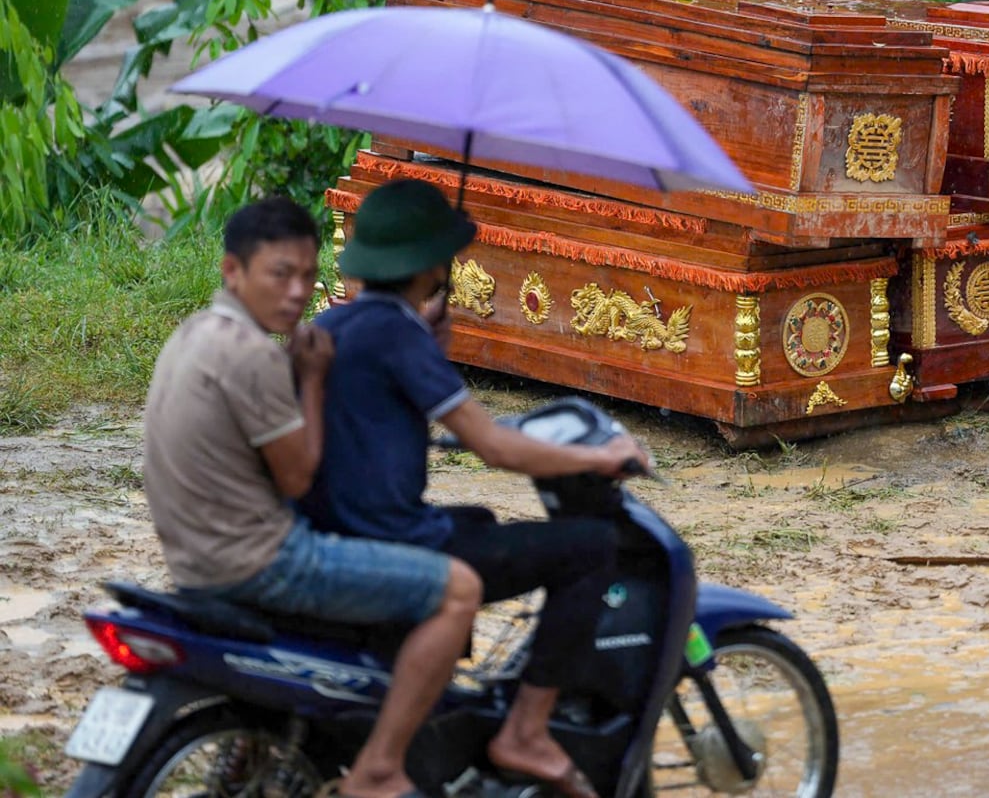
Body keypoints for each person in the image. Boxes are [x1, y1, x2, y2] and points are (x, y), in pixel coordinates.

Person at [299, 179, 645, 798]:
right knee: (588, 546)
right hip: (389, 540)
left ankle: (434, 709)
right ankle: (527, 733)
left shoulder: (347, 324)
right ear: (432, 263)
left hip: (337, 526)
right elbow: (493, 445)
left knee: (481, 522)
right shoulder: (399, 335)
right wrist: (597, 455)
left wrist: (433, 355)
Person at [141, 196, 482, 798]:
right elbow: (298, 477)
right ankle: (381, 769)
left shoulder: (194, 333)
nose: (299, 291)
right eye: (280, 274)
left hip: (195, 555)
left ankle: (264, 743)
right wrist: (316, 381)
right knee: (457, 588)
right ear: (232, 271)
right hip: (265, 562)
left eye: (307, 273)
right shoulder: (251, 357)